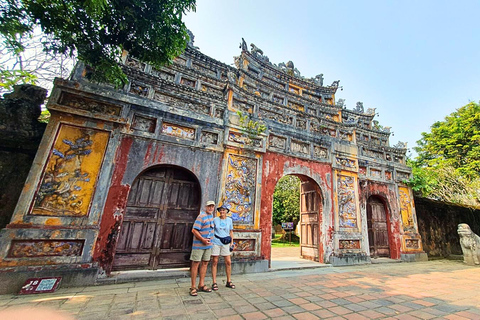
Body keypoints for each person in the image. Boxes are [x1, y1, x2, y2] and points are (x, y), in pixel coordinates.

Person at [189, 200, 215, 296]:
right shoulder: (201, 216)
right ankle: (193, 287)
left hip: (208, 246)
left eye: (212, 206)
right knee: (196, 264)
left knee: (205, 263)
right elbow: (194, 230)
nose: (210, 208)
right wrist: (203, 239)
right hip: (199, 246)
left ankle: (201, 284)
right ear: (206, 207)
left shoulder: (211, 217)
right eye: (209, 206)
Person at [211, 204, 235, 290]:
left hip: (226, 242)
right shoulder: (215, 220)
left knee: (228, 261)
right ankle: (214, 282)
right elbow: (212, 230)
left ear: (227, 211)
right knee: (215, 261)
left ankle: (228, 280)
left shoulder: (229, 220)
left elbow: (231, 231)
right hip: (216, 241)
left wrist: (232, 242)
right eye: (220, 210)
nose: (222, 212)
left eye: (223, 210)